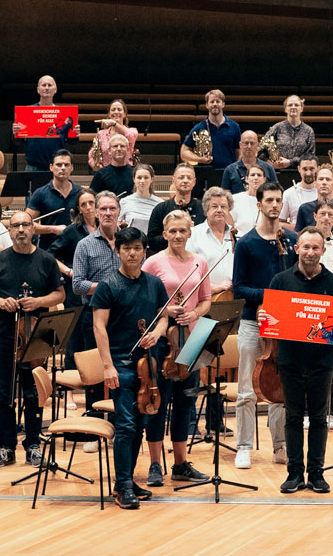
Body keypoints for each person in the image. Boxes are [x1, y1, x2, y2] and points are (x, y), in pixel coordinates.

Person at [268, 228, 333, 495]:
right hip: (290, 360)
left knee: (319, 418)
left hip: (321, 361)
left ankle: (316, 473)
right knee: (292, 417)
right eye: (305, 247)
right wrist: (266, 320)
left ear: (323, 251)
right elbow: (272, 320)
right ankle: (294, 473)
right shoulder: (280, 281)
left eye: (315, 248)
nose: (310, 252)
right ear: (296, 249)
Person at [0, 211, 64, 471]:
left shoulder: (47, 260)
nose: (21, 230)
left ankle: (33, 445)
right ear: (10, 231)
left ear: (34, 229)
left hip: (35, 332)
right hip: (4, 331)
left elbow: (59, 294)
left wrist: (38, 302)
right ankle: (6, 447)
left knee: (33, 391)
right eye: (16, 226)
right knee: (4, 393)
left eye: (26, 224)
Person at [89, 226, 166, 509]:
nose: (132, 253)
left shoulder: (154, 284)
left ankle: (127, 480)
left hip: (149, 365)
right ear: (117, 251)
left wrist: (157, 334)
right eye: (126, 249)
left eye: (137, 248)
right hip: (120, 364)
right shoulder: (108, 285)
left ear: (144, 251)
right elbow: (99, 327)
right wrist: (107, 367)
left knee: (141, 425)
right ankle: (122, 486)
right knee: (126, 426)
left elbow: (163, 317)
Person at [141, 211, 214, 486]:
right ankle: (155, 464)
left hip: (192, 339)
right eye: (172, 231)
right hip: (163, 340)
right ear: (164, 232)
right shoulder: (153, 262)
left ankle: (181, 463)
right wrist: (166, 309)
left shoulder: (200, 262)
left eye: (182, 230)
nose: (178, 236)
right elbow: (142, 299)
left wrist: (194, 314)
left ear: (190, 232)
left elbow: (206, 300)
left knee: (185, 403)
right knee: (159, 403)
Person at [231, 184, 292, 468]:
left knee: (279, 387)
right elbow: (239, 288)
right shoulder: (246, 243)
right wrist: (270, 296)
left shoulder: (290, 241)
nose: (275, 205)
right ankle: (243, 445)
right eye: (269, 200)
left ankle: (280, 446)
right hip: (252, 321)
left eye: (278, 200)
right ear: (259, 205)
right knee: (246, 387)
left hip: (283, 325)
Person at [20, 75, 75, 177]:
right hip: (33, 166)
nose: (46, 87)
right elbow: (18, 141)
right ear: (38, 89)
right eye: (43, 85)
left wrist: (75, 133)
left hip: (56, 166)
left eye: (50, 85)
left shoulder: (64, 114)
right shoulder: (28, 112)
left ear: (55, 89)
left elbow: (72, 141)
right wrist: (16, 132)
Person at [189, 188, 239, 295]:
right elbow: (187, 271)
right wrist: (213, 287)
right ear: (206, 210)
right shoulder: (193, 235)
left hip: (233, 296)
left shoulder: (237, 234)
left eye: (223, 207)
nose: (220, 210)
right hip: (203, 297)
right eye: (215, 206)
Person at [148, 163, 204, 245]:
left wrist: (193, 232)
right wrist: (172, 234)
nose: (185, 181)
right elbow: (152, 241)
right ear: (173, 181)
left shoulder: (203, 208)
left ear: (194, 182)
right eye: (181, 177)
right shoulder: (160, 209)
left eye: (189, 178)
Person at [182, 89, 241, 165]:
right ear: (207, 105)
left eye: (218, 101)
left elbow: (239, 151)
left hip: (228, 172)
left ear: (223, 104)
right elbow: (184, 151)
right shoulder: (199, 127)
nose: (215, 104)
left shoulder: (234, 126)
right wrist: (199, 159)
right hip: (206, 172)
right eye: (212, 101)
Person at [26, 151, 81, 230]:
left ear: (72, 167)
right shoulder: (40, 193)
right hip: (50, 242)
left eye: (66, 165)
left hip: (76, 242)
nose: (63, 168)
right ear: (51, 167)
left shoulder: (81, 193)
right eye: (59, 165)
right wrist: (53, 229)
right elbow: (26, 223)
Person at [263, 95, 318, 167]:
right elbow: (261, 150)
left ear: (301, 108)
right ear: (285, 109)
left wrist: (291, 162)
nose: (293, 107)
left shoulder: (308, 131)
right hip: (278, 171)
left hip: (301, 172)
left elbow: (311, 156)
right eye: (290, 105)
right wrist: (270, 163)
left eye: (296, 105)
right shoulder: (277, 128)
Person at [222, 131, 277, 199]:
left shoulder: (269, 168)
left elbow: (275, 193)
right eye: (246, 143)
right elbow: (224, 197)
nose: (249, 146)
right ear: (240, 145)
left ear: (257, 145)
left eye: (252, 143)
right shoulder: (230, 170)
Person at [89, 127, 139, 198]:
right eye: (115, 146)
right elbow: (92, 198)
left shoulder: (135, 173)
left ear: (128, 150)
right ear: (109, 150)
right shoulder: (100, 174)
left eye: (122, 146)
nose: (119, 149)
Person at [119, 165, 162, 234]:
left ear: (151, 179)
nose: (142, 181)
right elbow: (118, 225)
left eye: (146, 178)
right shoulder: (124, 202)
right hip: (131, 242)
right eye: (139, 178)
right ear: (134, 179)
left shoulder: (160, 203)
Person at [282, 156, 322, 226]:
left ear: (318, 169)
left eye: (312, 169)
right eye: (305, 169)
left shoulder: (327, 192)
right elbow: (280, 222)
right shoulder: (288, 194)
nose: (308, 173)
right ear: (299, 169)